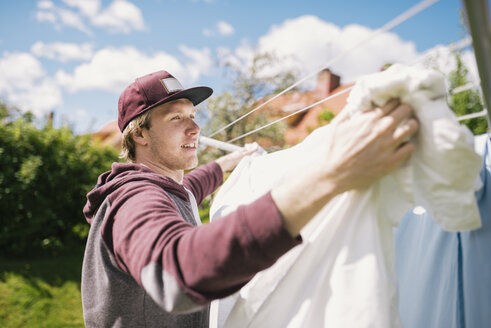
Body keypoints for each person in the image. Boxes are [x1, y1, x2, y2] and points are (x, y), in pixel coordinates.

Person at [81, 69, 419, 327]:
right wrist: (332, 174)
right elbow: (176, 271)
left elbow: (193, 185)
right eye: (175, 118)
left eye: (193, 116)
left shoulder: (170, 188)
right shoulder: (132, 198)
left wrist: (231, 161)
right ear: (139, 133)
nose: (195, 128)